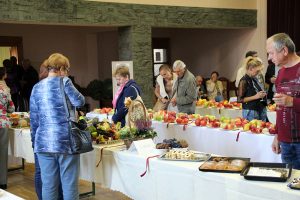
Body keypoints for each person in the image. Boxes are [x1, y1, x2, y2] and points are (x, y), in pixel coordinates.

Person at [30, 53, 85, 199]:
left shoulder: (36, 88)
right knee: (69, 186)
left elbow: (34, 119)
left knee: (48, 186)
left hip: (42, 143)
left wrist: (34, 141)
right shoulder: (65, 82)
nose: (67, 72)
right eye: (67, 69)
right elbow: (80, 101)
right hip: (65, 142)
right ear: (61, 68)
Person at [267, 33, 300, 169]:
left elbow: (287, 102)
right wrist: (277, 135)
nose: (269, 58)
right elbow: (280, 108)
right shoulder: (281, 73)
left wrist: (292, 101)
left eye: (271, 53)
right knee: (288, 187)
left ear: (285, 51)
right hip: (285, 142)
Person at [237, 56, 267, 121]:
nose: (259, 73)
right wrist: (256, 96)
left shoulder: (253, 79)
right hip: (250, 110)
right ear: (251, 69)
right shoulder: (244, 81)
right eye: (257, 71)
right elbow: (240, 99)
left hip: (258, 108)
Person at [0, 67, 15, 190]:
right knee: (2, 153)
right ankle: (2, 182)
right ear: (4, 75)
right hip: (3, 122)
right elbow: (11, 108)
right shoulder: (6, 89)